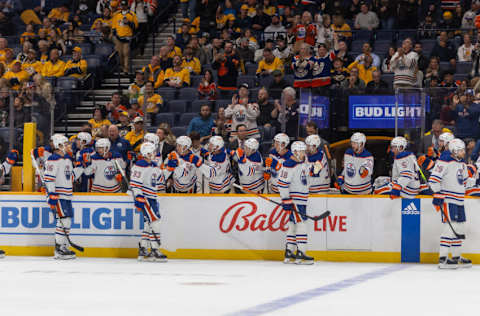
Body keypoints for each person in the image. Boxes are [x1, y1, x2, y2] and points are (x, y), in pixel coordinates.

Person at [429, 138, 472, 269]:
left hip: (459, 201)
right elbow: (433, 180)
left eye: (464, 150)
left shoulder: (462, 164)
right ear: (454, 151)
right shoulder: (444, 161)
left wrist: (475, 177)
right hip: (448, 200)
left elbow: (465, 182)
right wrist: (438, 194)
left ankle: (456, 256)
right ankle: (443, 259)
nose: (463, 152)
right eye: (461, 150)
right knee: (449, 229)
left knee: (459, 228)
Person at [44, 134, 81, 260]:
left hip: (67, 195)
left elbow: (70, 178)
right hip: (58, 195)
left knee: (67, 221)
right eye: (66, 144)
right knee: (63, 221)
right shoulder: (53, 159)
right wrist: (52, 194)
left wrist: (81, 167)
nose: (68, 146)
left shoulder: (67, 160)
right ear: (59, 145)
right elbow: (49, 179)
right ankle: (59, 248)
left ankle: (63, 246)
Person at [130, 142, 167, 262]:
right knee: (155, 221)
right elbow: (135, 184)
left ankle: (143, 247)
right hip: (145, 198)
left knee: (149, 223)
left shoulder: (153, 165)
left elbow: (161, 179)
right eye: (152, 152)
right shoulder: (140, 165)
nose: (155, 154)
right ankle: (155, 249)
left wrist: (169, 169)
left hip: (152, 197)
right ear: (146, 153)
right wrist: (138, 197)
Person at [278, 141, 314, 264]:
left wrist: (315, 169)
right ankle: (301, 252)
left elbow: (307, 173)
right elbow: (282, 184)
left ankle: (289, 251)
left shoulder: (302, 161)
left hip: (301, 199)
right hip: (295, 200)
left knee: (293, 224)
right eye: (302, 151)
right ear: (295, 152)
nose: (304, 153)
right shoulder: (289, 164)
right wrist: (286, 199)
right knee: (301, 224)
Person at [112, 0, 138, 73]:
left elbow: (135, 26)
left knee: (126, 53)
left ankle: (126, 70)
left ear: (127, 6)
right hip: (118, 37)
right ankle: (122, 67)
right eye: (122, 5)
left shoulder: (132, 14)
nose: (123, 7)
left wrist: (129, 22)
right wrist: (115, 35)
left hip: (127, 36)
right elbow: (114, 26)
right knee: (119, 54)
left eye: (125, 5)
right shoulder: (116, 14)